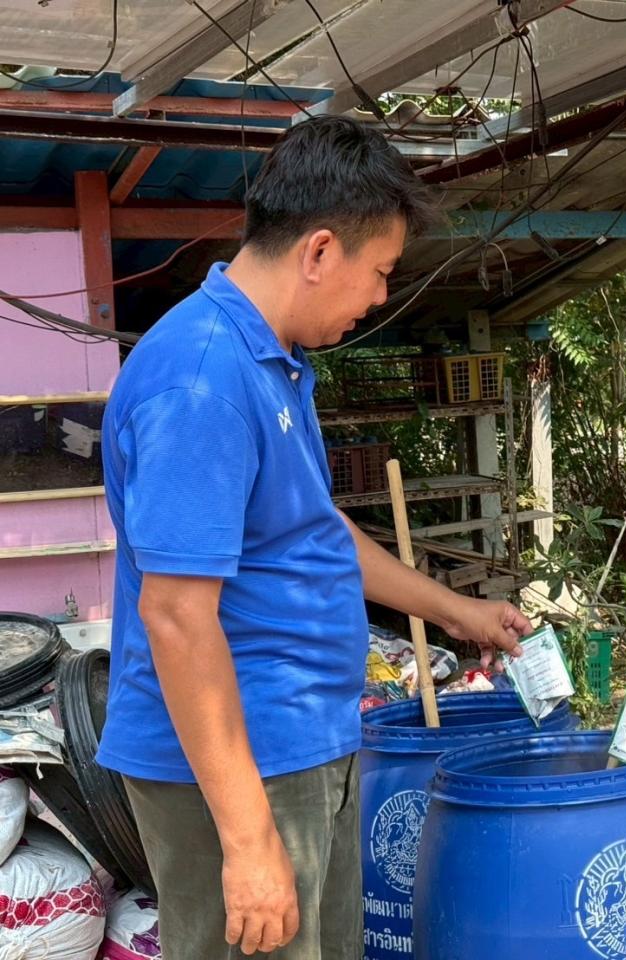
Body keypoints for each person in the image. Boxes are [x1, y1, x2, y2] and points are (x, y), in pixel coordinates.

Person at [98, 116, 530, 959]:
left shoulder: (272, 363)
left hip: (299, 740)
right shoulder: (203, 382)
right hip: (236, 766)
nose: (377, 298)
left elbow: (310, 532)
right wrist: (251, 839)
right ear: (321, 251)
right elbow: (178, 616)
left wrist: (455, 611)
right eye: (379, 274)